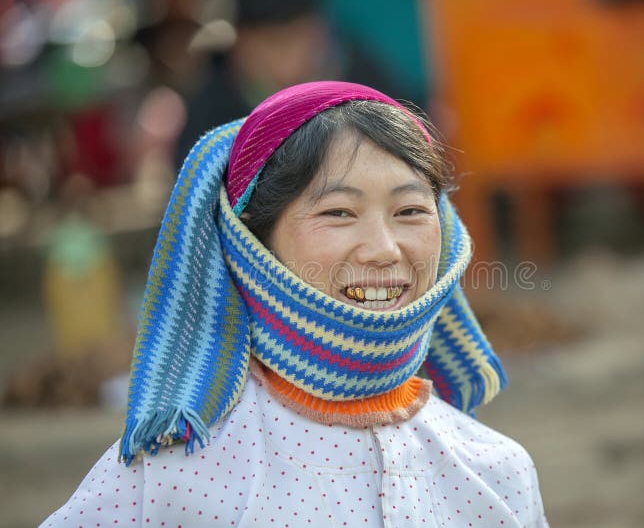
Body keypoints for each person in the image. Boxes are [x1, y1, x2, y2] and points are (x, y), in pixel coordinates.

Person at [42, 81, 549, 527]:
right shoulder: (176, 481)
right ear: (252, 245)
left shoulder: (497, 472)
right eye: (339, 212)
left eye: (411, 210)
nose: (384, 249)